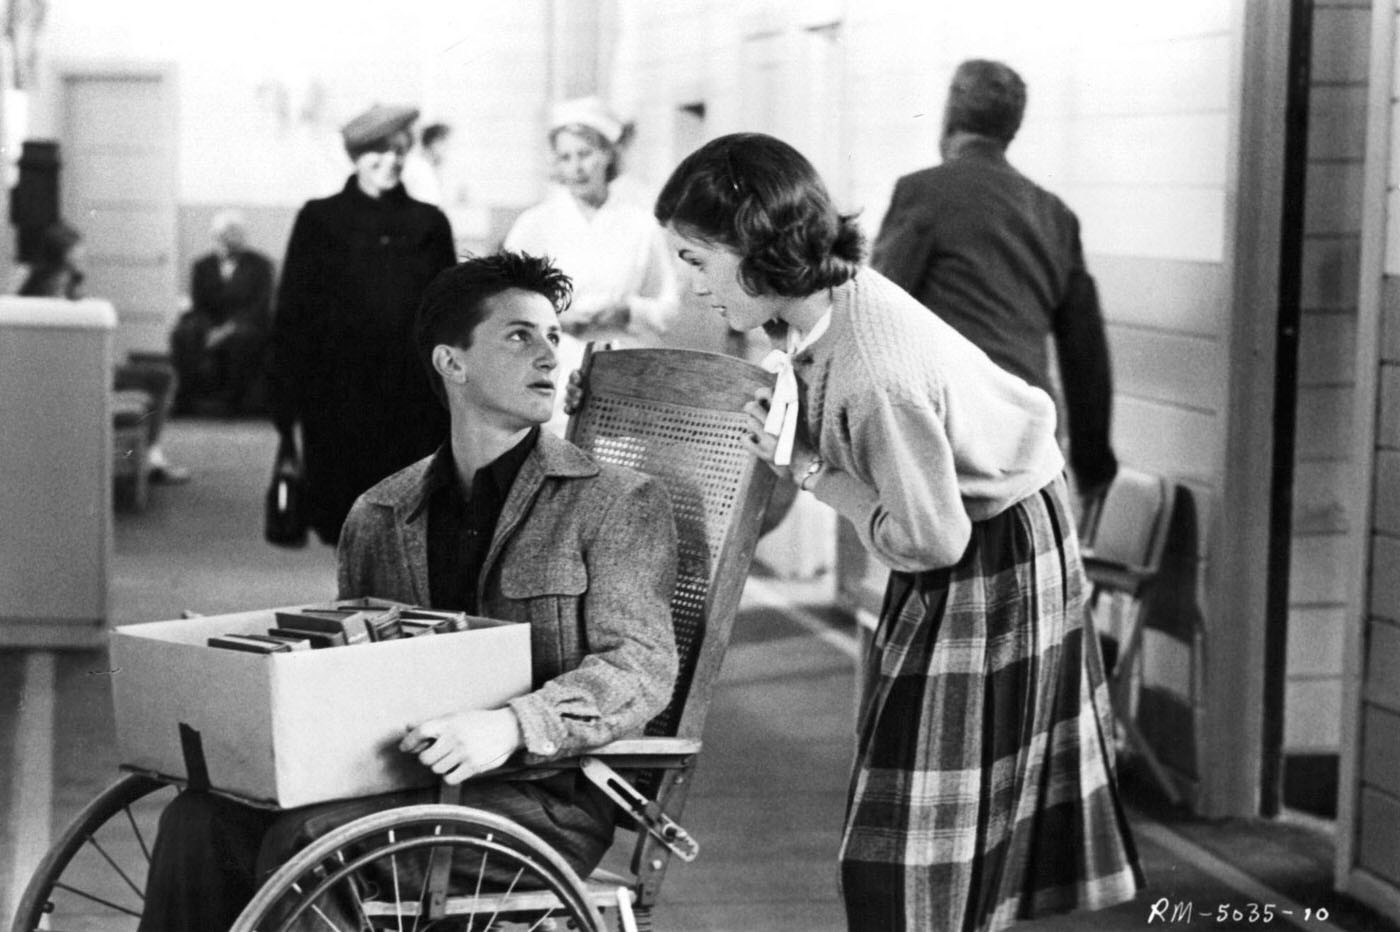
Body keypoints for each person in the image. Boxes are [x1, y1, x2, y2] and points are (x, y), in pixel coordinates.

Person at [651, 133, 1141, 931]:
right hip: (964, 528)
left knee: (916, 832)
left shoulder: (876, 375)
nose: (689, 283)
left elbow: (931, 539)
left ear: (758, 250)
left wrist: (811, 470)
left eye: (697, 259)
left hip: (996, 545)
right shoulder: (815, 308)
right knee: (924, 814)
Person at [137, 251, 680, 932]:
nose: (549, 355)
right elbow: (356, 665)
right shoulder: (380, 513)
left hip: (538, 799)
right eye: (519, 335)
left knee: (309, 844)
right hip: (396, 781)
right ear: (451, 363)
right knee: (199, 821)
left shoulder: (612, 504)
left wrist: (514, 725)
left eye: (553, 336)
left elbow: (640, 667)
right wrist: (252, 665)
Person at [872, 59, 1118, 506]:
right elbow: (1087, 356)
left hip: (952, 433)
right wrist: (1095, 466)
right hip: (1032, 438)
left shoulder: (922, 193)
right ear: (1012, 128)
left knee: (933, 569)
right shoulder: (1056, 215)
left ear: (950, 114)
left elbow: (877, 313)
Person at [269, 103, 458, 545]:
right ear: (356, 156)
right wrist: (284, 402)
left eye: (399, 150)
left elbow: (448, 313)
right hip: (337, 400)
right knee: (342, 521)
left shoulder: (428, 223)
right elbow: (293, 310)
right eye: (378, 151)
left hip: (411, 399)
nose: (390, 160)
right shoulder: (319, 219)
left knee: (409, 523)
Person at [504, 96, 677, 431]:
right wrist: (557, 319)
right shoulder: (534, 224)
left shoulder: (640, 225)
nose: (577, 168)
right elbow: (505, 304)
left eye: (586, 154)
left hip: (623, 370)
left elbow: (668, 306)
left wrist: (627, 312)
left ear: (608, 154)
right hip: (551, 367)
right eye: (565, 157)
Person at [19, 220, 190, 483]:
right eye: (76, 249)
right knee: (162, 376)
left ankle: (151, 457)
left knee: (157, 375)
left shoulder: (45, 279)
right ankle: (152, 459)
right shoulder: (56, 282)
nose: (82, 253)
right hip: (79, 371)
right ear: (62, 253)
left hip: (79, 365)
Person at [170, 210, 276, 415]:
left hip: (246, 323)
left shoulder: (260, 265)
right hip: (210, 322)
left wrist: (226, 331)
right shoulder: (202, 266)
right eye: (228, 232)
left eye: (238, 232)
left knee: (241, 338)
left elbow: (260, 306)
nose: (235, 238)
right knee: (183, 334)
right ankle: (187, 400)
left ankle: (234, 402)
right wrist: (210, 330)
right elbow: (199, 305)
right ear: (216, 236)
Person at [401, 121, 452, 206]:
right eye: (446, 145)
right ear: (435, 143)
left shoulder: (429, 168)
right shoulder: (416, 167)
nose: (448, 150)